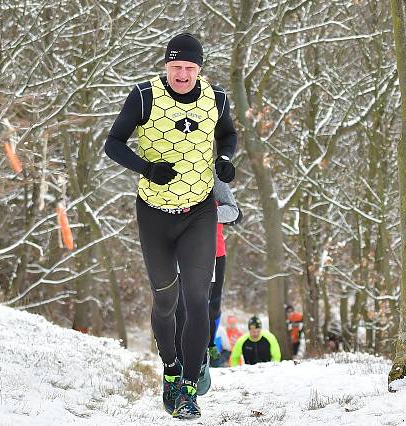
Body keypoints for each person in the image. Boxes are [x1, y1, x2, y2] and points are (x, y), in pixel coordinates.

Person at [104, 33, 236, 419]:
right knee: (166, 302)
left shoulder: (217, 99)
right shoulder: (144, 97)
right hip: (154, 215)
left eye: (189, 68)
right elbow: (113, 143)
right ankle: (171, 370)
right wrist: (146, 168)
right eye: (176, 67)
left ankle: (189, 390)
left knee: (197, 302)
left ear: (199, 69)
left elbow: (227, 134)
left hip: (199, 213)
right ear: (166, 66)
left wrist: (225, 158)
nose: (182, 74)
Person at [175, 175, 240, 394]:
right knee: (183, 310)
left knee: (210, 308)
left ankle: (206, 350)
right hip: (181, 254)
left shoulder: (214, 177)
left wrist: (205, 214)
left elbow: (233, 211)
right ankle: (188, 363)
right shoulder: (171, 172)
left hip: (214, 253)